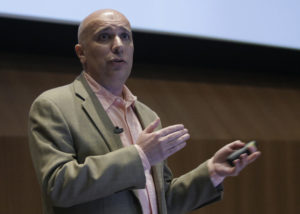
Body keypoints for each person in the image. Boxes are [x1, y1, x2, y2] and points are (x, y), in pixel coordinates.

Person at [28, 9, 261, 214]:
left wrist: (212, 172)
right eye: (105, 36)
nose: (118, 45)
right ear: (81, 52)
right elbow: (58, 187)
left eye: (125, 36)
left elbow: (164, 200)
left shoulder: (146, 115)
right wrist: (140, 156)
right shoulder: (54, 105)